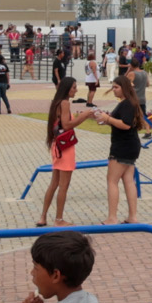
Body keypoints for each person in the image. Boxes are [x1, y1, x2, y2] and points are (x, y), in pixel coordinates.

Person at [41, 73, 108, 227]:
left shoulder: (56, 102)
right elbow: (67, 125)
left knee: (54, 183)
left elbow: (61, 122)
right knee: (63, 185)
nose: (76, 90)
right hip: (65, 148)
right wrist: (84, 116)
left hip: (56, 146)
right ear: (67, 89)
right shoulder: (65, 103)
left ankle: (43, 217)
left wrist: (81, 116)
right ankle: (59, 219)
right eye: (74, 87)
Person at [101, 73, 148, 223]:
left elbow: (126, 124)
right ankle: (132, 216)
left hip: (123, 146)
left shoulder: (127, 103)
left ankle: (112, 217)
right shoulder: (129, 103)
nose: (113, 90)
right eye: (113, 87)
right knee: (128, 181)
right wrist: (106, 120)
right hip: (130, 145)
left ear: (124, 88)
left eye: (116, 87)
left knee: (112, 181)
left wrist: (108, 118)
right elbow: (122, 122)